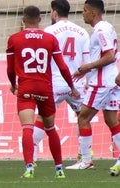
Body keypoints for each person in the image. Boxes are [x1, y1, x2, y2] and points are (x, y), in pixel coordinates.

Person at [6, 5, 80, 179]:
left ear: (23, 20)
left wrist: (12, 84)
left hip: (25, 87)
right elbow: (62, 66)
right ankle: (59, 169)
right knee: (50, 128)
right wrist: (72, 87)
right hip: (45, 88)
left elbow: (10, 69)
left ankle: (29, 167)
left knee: (27, 128)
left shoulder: (14, 39)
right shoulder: (49, 38)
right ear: (40, 19)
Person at [32, 0, 91, 165]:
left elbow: (42, 59)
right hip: (76, 82)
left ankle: (33, 157)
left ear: (54, 12)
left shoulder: (49, 31)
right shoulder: (82, 32)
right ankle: (84, 155)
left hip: (54, 82)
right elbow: (87, 61)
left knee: (42, 118)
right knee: (83, 117)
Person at [66, 0, 120, 175]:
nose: (82, 13)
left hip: (101, 82)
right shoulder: (107, 27)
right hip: (110, 80)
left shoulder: (101, 30)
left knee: (83, 118)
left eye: (84, 10)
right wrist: (86, 71)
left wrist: (87, 67)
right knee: (111, 120)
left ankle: (86, 160)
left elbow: (110, 56)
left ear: (93, 13)